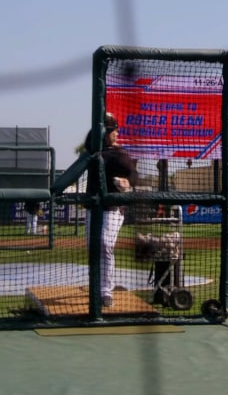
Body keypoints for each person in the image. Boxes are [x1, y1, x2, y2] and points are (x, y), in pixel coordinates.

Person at [85, 112, 139, 308]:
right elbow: (89, 138)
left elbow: (134, 173)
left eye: (116, 130)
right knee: (93, 249)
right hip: (93, 209)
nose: (117, 133)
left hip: (113, 210)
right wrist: (103, 120)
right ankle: (96, 286)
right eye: (113, 130)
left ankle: (106, 291)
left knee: (105, 245)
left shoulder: (119, 154)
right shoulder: (93, 150)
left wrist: (127, 182)